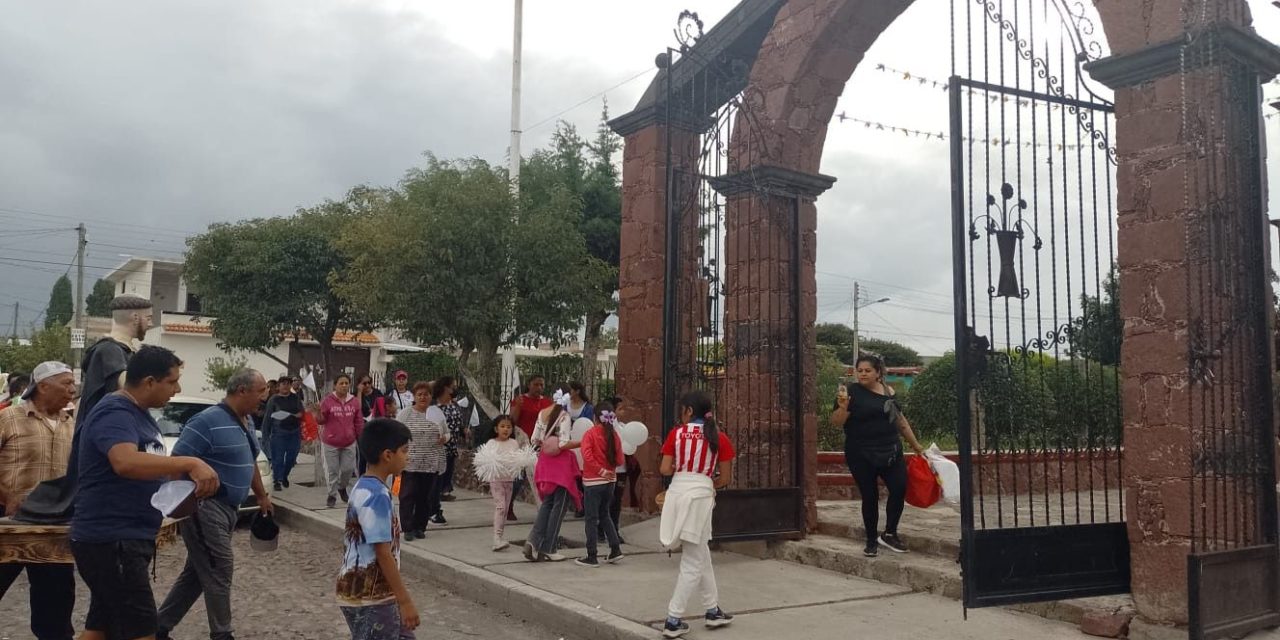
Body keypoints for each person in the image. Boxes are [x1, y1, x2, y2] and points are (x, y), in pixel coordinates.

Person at [70, 345, 220, 640]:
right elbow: (124, 462)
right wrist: (190, 461)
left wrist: (176, 493)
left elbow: (146, 469)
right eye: (172, 381)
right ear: (150, 381)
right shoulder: (115, 411)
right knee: (142, 629)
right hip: (111, 539)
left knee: (99, 628)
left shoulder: (141, 415)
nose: (176, 389)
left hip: (125, 538)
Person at [156, 369, 274, 640]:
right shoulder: (206, 421)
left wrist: (262, 496)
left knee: (199, 572)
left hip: (231, 510)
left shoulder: (246, 421)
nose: (263, 397)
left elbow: (251, 460)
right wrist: (175, 508)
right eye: (260, 391)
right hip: (205, 507)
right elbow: (178, 460)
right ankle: (222, 634)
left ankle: (159, 628)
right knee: (220, 565)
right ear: (241, 390)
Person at [0, 361, 77, 639]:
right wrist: (7, 496)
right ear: (43, 386)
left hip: (52, 529)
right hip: (9, 525)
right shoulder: (9, 418)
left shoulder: (71, 425)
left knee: (55, 611)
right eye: (66, 383)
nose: (73, 389)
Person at [829, 353, 926, 557]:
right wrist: (844, 407)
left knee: (899, 489)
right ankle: (871, 540)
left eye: (867, 371)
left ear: (878, 372)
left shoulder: (888, 391)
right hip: (860, 453)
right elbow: (837, 423)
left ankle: (890, 533)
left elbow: (900, 421)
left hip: (890, 449)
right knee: (870, 496)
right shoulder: (850, 392)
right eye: (860, 370)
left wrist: (917, 447)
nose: (863, 374)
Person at [658, 390, 736, 638]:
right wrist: (703, 485)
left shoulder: (676, 434)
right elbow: (724, 478)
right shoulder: (719, 438)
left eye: (682, 410)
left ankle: (712, 610)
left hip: (677, 493)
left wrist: (683, 472)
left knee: (699, 553)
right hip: (700, 496)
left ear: (689, 411)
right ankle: (673, 618)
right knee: (694, 558)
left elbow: (664, 468)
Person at [336, 418, 419, 640]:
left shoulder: (363, 485)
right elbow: (382, 552)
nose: (407, 456)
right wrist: (405, 600)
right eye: (404, 451)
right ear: (387, 455)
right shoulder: (377, 496)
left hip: (364, 592)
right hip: (372, 596)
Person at [523, 386, 581, 562]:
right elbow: (563, 443)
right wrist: (581, 442)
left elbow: (534, 439)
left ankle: (533, 540)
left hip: (545, 462)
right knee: (559, 505)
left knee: (547, 503)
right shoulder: (564, 416)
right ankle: (549, 547)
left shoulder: (542, 413)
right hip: (561, 466)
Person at [576, 401, 625, 568]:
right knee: (605, 515)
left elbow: (586, 456)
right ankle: (615, 548)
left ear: (595, 417)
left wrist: (600, 470)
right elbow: (620, 460)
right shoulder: (615, 435)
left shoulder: (590, 434)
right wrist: (608, 470)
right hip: (610, 481)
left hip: (593, 481)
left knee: (591, 518)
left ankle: (592, 555)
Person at [396, 382, 447, 541]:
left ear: (431, 396)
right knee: (407, 495)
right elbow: (396, 433)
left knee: (424, 497)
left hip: (430, 462)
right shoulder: (405, 414)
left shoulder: (437, 414)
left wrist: (444, 438)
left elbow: (447, 433)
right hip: (410, 462)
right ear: (414, 396)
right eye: (420, 394)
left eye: (426, 394)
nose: (423, 397)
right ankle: (407, 527)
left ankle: (420, 526)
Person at [507, 375, 551, 520]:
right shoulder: (520, 400)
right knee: (519, 478)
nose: (539, 388)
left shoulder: (547, 402)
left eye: (541, 385)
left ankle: (543, 509)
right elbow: (512, 421)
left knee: (541, 478)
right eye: (536, 384)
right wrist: (518, 406)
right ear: (529, 385)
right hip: (522, 445)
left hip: (540, 445)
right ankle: (508, 506)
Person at [319, 373, 365, 509]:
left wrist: (359, 436)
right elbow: (321, 420)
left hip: (349, 442)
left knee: (348, 469)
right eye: (341, 383)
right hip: (330, 442)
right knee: (332, 470)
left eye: (346, 383)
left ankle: (342, 488)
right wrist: (316, 413)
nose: (344, 386)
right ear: (335, 385)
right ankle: (332, 495)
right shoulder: (328, 401)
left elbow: (358, 421)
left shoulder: (354, 401)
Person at [476, 415, 521, 551]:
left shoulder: (514, 443)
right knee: (500, 507)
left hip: (509, 480)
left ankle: (500, 537)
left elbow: (517, 460)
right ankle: (496, 539)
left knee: (505, 509)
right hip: (496, 480)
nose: (505, 429)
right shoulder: (491, 443)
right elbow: (484, 461)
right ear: (496, 429)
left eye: (508, 427)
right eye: (502, 426)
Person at [264, 375, 305, 491]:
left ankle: (284, 475)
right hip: (279, 433)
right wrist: (266, 435)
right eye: (283, 383)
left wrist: (297, 415)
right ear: (278, 386)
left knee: (291, 459)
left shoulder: (295, 398)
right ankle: (277, 480)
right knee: (278, 458)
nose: (286, 386)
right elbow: (267, 418)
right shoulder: (274, 400)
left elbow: (302, 413)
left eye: (288, 383)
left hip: (294, 432)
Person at [433, 377, 470, 506]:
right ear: (445, 388)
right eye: (452, 386)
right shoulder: (435, 406)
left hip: (452, 443)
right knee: (439, 470)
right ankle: (436, 493)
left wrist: (463, 430)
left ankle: (445, 491)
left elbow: (458, 422)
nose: (455, 389)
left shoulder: (454, 405)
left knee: (449, 468)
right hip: (439, 445)